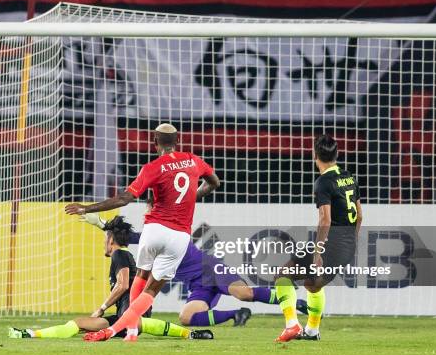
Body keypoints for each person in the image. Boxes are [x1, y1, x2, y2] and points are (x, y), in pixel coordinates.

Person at [66, 123, 220, 342]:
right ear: (177, 141)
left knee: (140, 276)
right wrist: (191, 197)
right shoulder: (194, 160)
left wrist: (86, 208)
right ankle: (121, 331)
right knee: (151, 291)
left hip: (155, 229)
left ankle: (127, 331)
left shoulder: (153, 167)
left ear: (155, 142)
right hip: (179, 236)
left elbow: (124, 199)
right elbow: (215, 182)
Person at [80, 200, 309, 327]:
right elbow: (126, 237)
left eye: (148, 212)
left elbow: (131, 237)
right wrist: (100, 223)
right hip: (197, 284)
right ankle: (236, 315)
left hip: (211, 269)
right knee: (186, 318)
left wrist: (101, 222)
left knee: (244, 292)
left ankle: (294, 301)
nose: (145, 217)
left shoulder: (169, 229)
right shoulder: (152, 234)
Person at [8, 216, 212, 341]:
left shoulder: (120, 255)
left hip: (128, 316)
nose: (104, 243)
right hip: (128, 317)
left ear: (110, 239)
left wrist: (102, 307)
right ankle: (30, 333)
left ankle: (29, 334)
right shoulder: (125, 255)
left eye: (106, 238)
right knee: (80, 324)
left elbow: (123, 284)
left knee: (136, 324)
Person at [274, 134, 362, 342]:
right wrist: (352, 244)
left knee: (282, 275)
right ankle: (312, 331)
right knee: (312, 285)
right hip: (346, 246)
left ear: (315, 155)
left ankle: (292, 326)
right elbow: (359, 215)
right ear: (337, 154)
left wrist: (318, 253)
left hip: (330, 247)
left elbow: (325, 219)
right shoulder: (349, 177)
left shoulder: (323, 182)